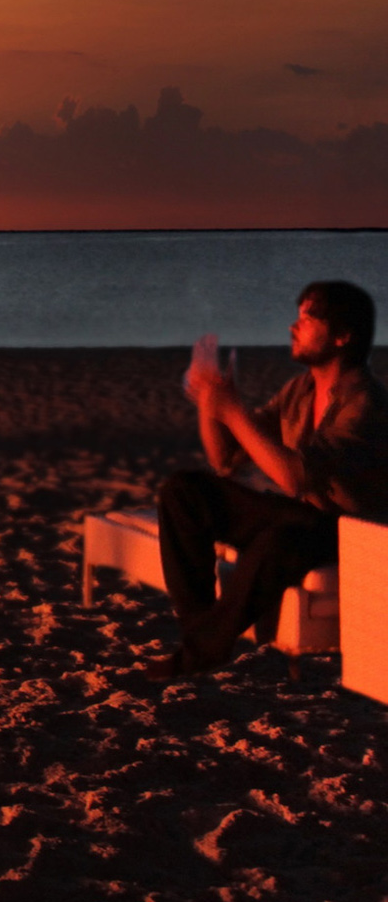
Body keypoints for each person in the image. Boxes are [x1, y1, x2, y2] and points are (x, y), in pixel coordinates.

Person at [153, 280, 388, 679]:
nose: (292, 327)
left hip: (350, 533)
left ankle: (202, 649)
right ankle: (201, 637)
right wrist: (211, 402)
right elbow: (225, 457)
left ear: (343, 336)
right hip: (301, 516)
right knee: (185, 491)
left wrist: (232, 412)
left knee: (284, 539)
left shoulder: (366, 403)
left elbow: (295, 478)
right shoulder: (300, 390)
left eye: (307, 320)